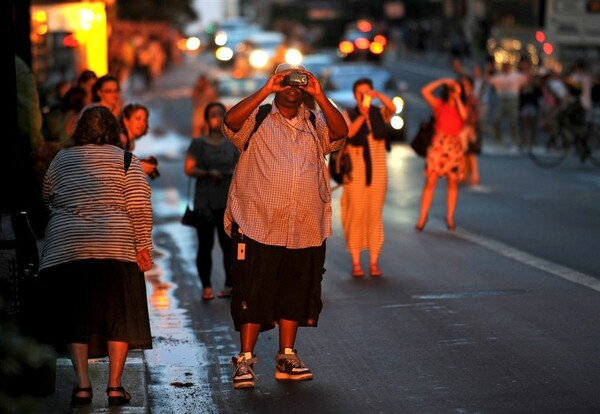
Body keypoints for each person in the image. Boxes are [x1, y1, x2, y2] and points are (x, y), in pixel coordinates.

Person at [222, 63, 348, 389]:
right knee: (253, 290)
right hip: (258, 223)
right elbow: (230, 121)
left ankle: (287, 355)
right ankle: (245, 360)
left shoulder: (314, 121)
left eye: (299, 80)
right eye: (286, 79)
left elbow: (340, 133)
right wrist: (266, 89)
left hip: (304, 225)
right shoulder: (259, 118)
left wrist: (320, 96)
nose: (293, 85)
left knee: (295, 291)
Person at [34, 106, 154, 406]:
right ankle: (114, 386)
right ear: (113, 130)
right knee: (119, 319)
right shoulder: (126, 159)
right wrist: (142, 247)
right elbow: (139, 205)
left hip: (68, 248)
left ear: (80, 129)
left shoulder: (62, 158)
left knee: (77, 317)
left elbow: (47, 194)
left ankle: (83, 386)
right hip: (116, 248)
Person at [340, 77, 396, 278]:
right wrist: (362, 116)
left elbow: (393, 108)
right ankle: (356, 262)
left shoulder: (379, 113)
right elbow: (349, 133)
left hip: (378, 166)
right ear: (354, 95)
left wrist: (377, 96)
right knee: (356, 212)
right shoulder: (349, 114)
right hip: (356, 166)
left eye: (367, 92)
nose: (363, 96)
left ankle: (374, 261)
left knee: (374, 213)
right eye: (360, 93)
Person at [183, 102, 239, 301]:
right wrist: (207, 173)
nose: (217, 118)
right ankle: (206, 287)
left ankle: (229, 285)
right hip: (204, 203)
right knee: (205, 246)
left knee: (229, 246)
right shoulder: (198, 144)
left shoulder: (233, 143)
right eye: (213, 115)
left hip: (228, 203)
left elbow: (242, 168)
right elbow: (189, 168)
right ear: (206, 119)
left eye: (220, 114)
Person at [415, 77, 468, 232]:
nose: (454, 92)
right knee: (430, 181)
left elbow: (464, 117)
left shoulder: (462, 107)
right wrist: (443, 81)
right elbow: (424, 92)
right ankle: (423, 216)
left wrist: (458, 98)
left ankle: (450, 217)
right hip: (439, 145)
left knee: (452, 182)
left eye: (457, 89)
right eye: (452, 89)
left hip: (454, 145)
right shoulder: (440, 105)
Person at [118, 103, 159, 178]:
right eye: (138, 118)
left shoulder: (130, 143)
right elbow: (116, 163)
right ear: (126, 120)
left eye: (144, 120)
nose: (142, 123)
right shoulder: (122, 138)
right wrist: (139, 165)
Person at [191, 74, 219, 138]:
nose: (201, 84)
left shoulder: (209, 89)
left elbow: (214, 99)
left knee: (207, 128)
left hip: (207, 111)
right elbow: (195, 99)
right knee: (197, 129)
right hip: (199, 112)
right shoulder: (196, 90)